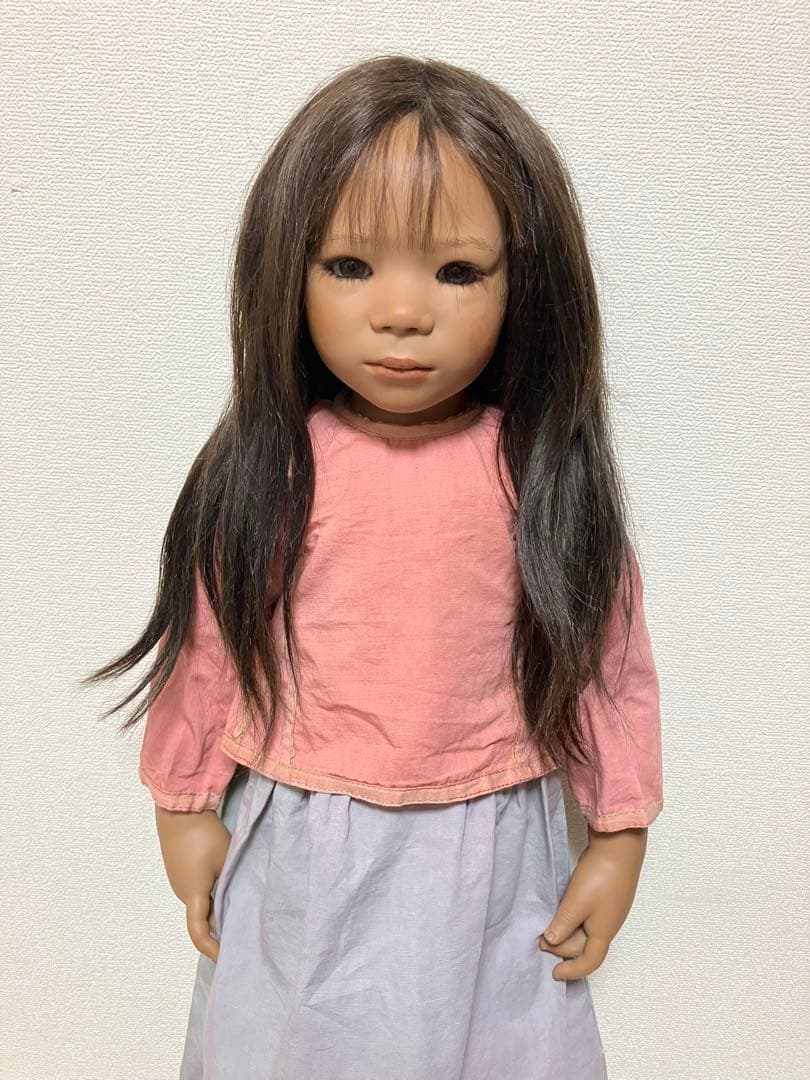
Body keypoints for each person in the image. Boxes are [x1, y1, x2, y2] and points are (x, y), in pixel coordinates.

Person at [84, 54, 664, 1079]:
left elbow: (602, 653)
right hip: (305, 848)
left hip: (494, 851)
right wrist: (183, 802)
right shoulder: (280, 469)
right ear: (287, 271)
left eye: (457, 271)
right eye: (350, 266)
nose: (402, 312)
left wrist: (617, 835)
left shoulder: (536, 478)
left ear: (526, 281)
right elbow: (215, 636)